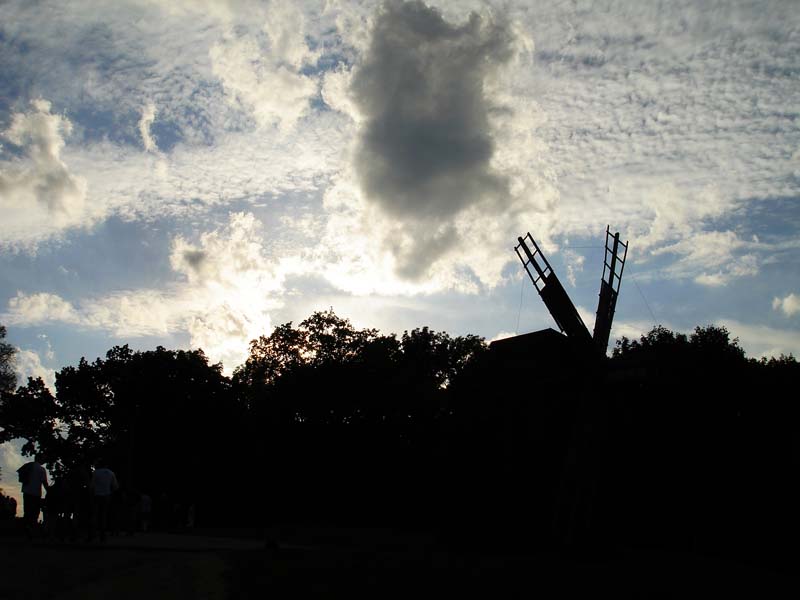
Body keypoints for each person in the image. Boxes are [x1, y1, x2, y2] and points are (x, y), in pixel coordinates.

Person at [17, 454, 49, 539]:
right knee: (34, 513)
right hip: (36, 494)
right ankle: (31, 530)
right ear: (40, 459)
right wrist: (50, 492)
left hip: (26, 491)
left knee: (27, 511)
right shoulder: (41, 469)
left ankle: (25, 529)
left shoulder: (28, 465)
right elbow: (45, 483)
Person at [88, 459, 119, 542]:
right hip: (106, 495)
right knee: (103, 515)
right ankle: (102, 534)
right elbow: (115, 486)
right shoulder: (111, 473)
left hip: (96, 495)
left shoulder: (95, 473)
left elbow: (91, 486)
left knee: (94, 514)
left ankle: (92, 533)